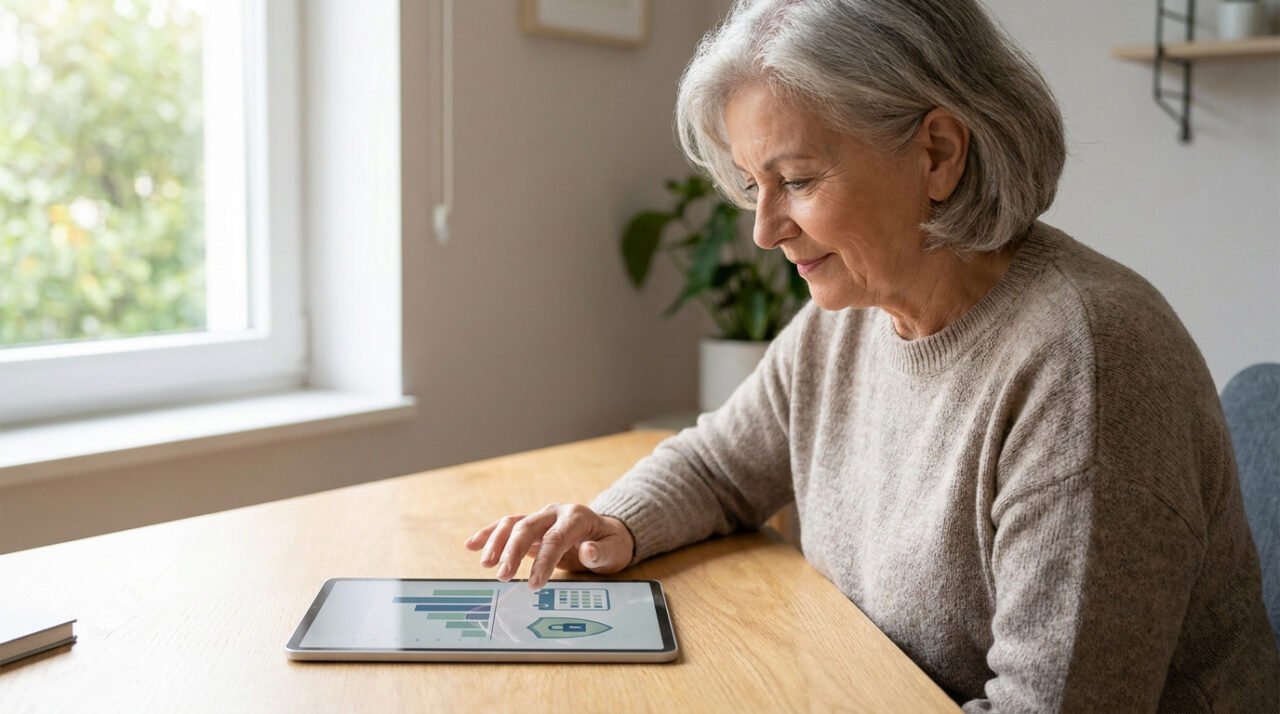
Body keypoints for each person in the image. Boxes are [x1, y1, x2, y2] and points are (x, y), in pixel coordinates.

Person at [465, 0, 1280, 710]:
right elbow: (720, 464)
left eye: (798, 180)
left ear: (936, 153)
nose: (765, 229)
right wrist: (613, 522)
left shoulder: (1088, 366)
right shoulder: (852, 312)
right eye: (756, 184)